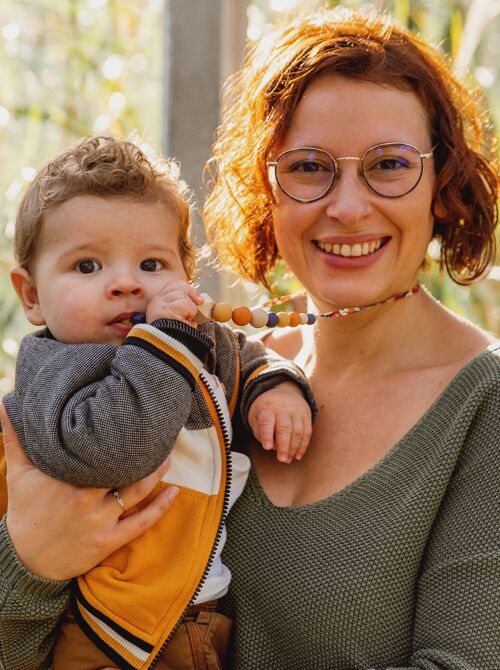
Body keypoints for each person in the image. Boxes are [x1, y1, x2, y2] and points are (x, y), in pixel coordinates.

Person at [0, 7, 499, 670]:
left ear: (443, 185)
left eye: (389, 164)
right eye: (309, 166)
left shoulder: (482, 405)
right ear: (265, 187)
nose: (347, 205)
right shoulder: (203, 370)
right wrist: (29, 564)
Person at [0, 135, 314, 670]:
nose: (126, 284)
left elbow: (244, 356)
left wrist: (276, 385)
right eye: (87, 267)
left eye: (151, 264)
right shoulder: (54, 369)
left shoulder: (187, 342)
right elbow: (111, 450)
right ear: (31, 296)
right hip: (99, 630)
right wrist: (164, 340)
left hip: (196, 616)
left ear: (186, 277)